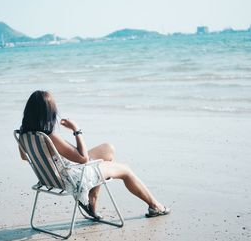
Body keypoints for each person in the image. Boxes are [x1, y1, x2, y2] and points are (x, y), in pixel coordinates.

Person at [19, 90, 170, 219]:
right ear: (48, 113)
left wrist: (54, 159)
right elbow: (83, 159)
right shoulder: (50, 136)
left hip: (54, 176)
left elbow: (24, 157)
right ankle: (155, 206)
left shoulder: (23, 134)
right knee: (125, 170)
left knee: (107, 149)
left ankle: (92, 200)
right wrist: (76, 131)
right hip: (72, 178)